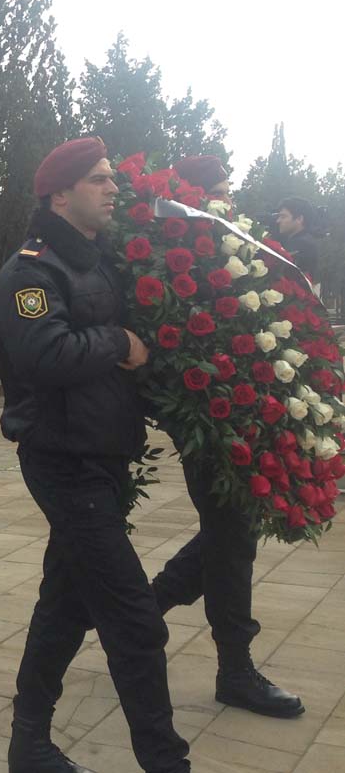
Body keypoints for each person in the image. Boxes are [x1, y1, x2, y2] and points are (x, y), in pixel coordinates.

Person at [0, 137, 190, 773]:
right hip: (64, 461)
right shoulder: (30, 272)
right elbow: (44, 356)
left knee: (64, 604)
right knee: (134, 620)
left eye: (111, 178)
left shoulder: (95, 262)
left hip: (101, 457)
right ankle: (166, 761)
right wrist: (117, 341)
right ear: (60, 193)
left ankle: (28, 742)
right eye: (99, 180)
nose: (113, 189)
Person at [149, 162, 305, 718]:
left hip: (245, 420)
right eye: (215, 197)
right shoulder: (173, 262)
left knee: (229, 533)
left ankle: (146, 609)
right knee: (232, 535)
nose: (226, 207)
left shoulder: (235, 258)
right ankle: (234, 669)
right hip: (209, 426)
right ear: (190, 202)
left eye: (227, 195)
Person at [274, 195, 320, 284]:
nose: (278, 221)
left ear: (299, 219)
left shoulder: (301, 244)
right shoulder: (306, 241)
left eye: (283, 217)